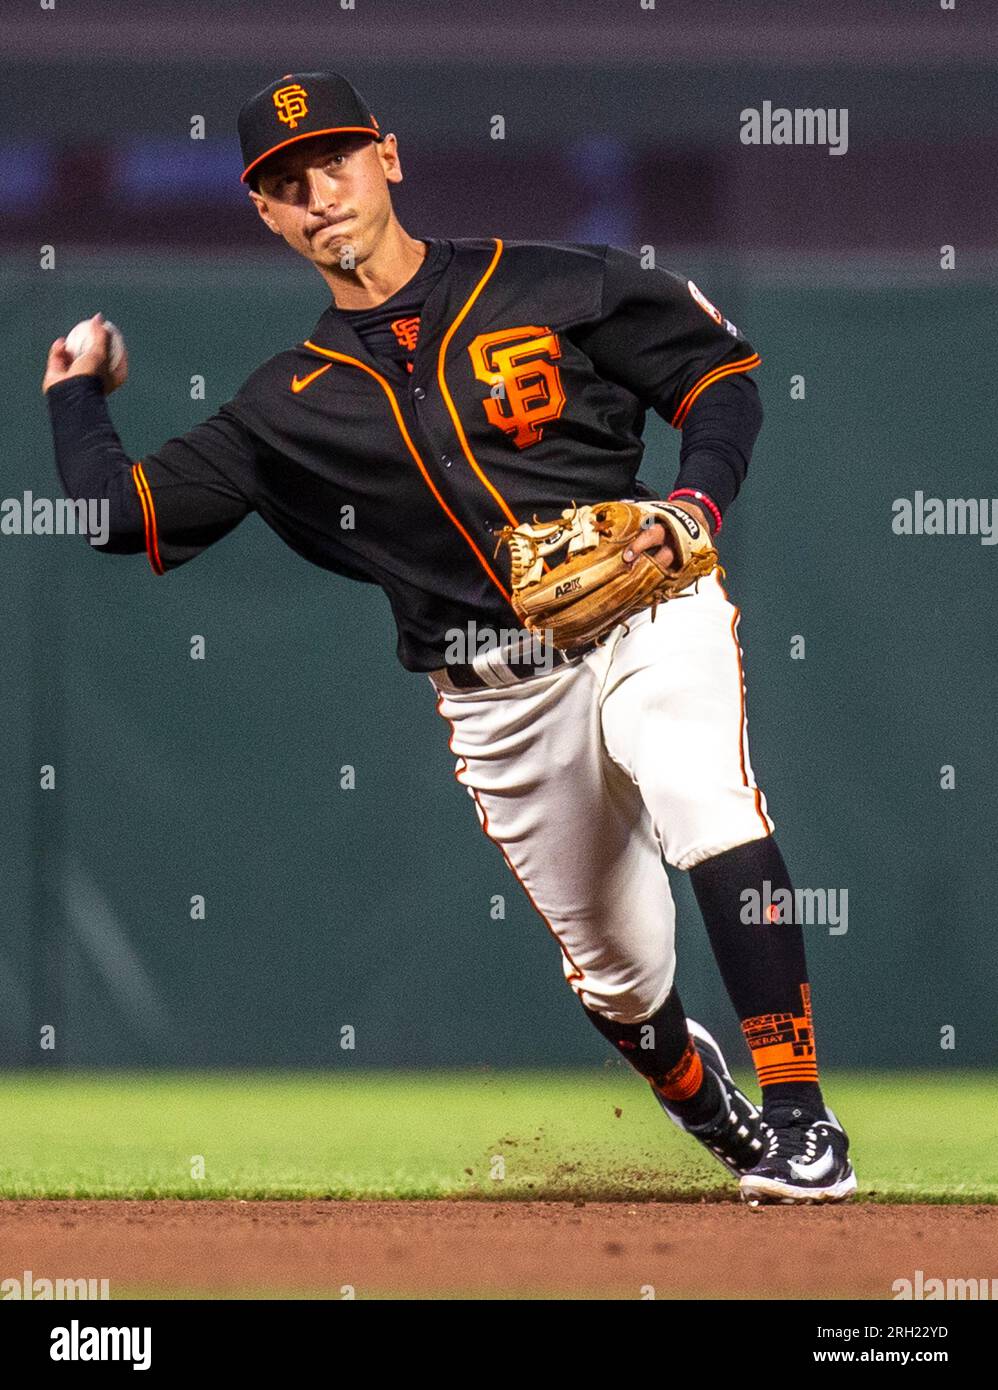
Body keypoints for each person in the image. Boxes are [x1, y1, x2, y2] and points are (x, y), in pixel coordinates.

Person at [43, 71, 856, 1203]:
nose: (318, 191)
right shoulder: (284, 403)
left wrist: (692, 506)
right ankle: (704, 1096)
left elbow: (718, 378)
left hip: (643, 607)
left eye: (333, 159)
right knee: (621, 980)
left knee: (705, 805)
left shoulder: (550, 281)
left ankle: (802, 1121)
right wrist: (74, 396)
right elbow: (112, 517)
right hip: (498, 694)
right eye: (285, 182)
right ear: (265, 216)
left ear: (387, 156)